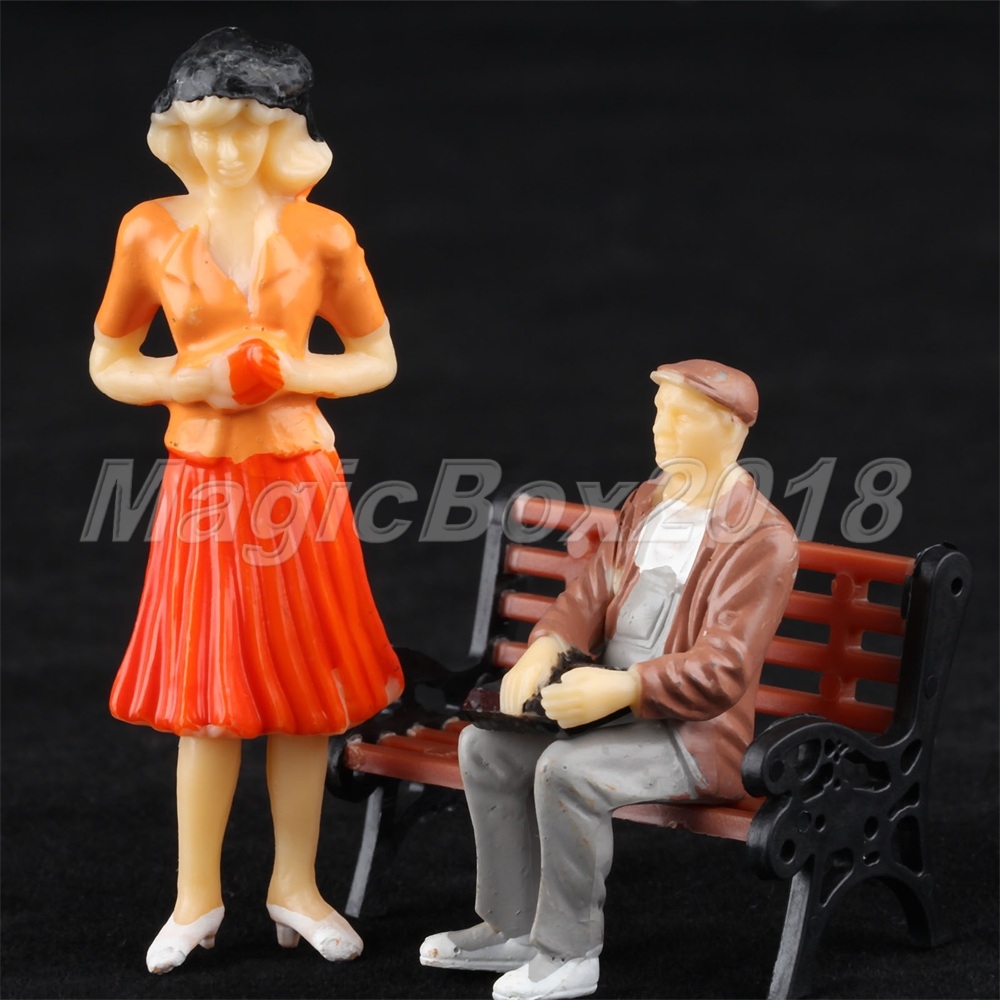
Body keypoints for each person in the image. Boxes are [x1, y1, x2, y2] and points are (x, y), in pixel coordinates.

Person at [89, 28, 404, 974]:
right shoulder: (149, 230)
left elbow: (377, 356)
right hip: (202, 481)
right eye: (207, 126)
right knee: (207, 699)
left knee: (306, 700)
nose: (226, 148)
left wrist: (294, 371)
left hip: (298, 480)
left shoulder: (323, 234)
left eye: (247, 126)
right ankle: (195, 900)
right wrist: (187, 379)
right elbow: (109, 357)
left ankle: (294, 887)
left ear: (283, 131)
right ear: (178, 130)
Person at [420, 360, 799, 1000]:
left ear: (731, 429)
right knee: (485, 746)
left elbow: (725, 666)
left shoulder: (761, 538)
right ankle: (513, 927)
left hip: (692, 735)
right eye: (659, 411)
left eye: (681, 416)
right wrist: (547, 648)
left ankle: (570, 953)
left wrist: (629, 687)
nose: (660, 427)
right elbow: (590, 594)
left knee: (568, 770)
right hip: (608, 710)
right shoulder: (647, 503)